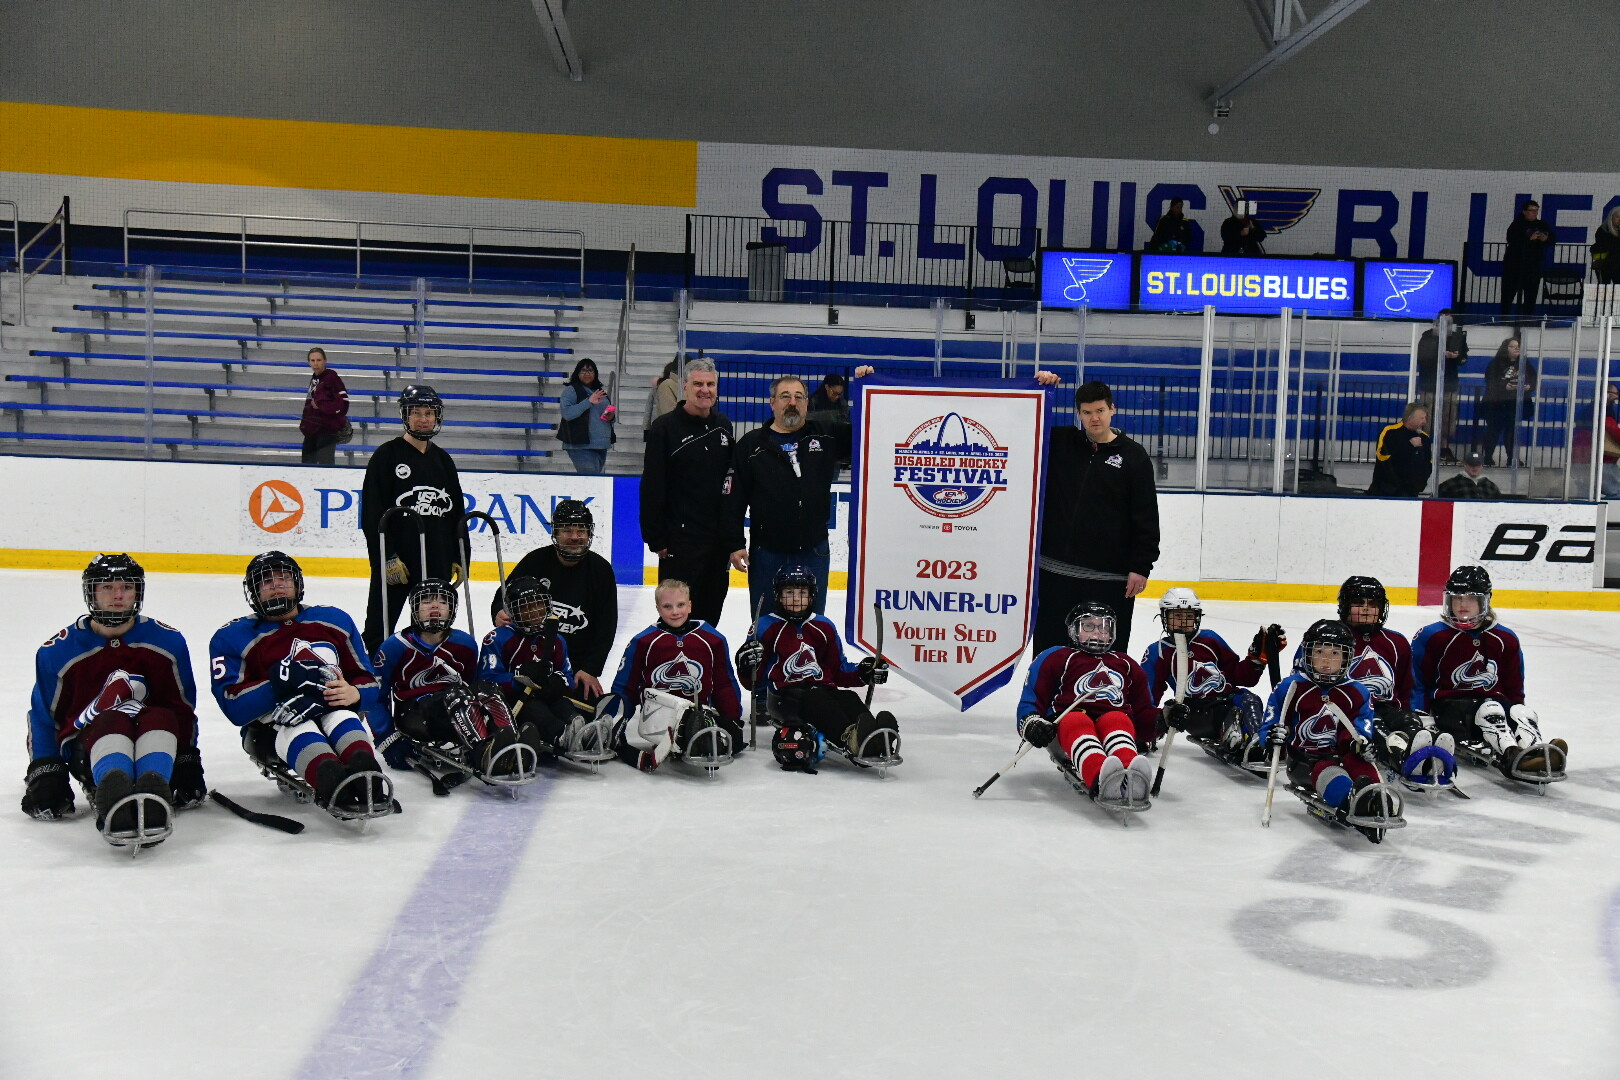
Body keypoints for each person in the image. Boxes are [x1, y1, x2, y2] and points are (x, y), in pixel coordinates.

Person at [22, 554, 204, 849]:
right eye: (107, 587)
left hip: (153, 739)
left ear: (138, 592)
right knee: (111, 720)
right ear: (91, 592)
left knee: (160, 716)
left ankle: (153, 789)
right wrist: (46, 770)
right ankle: (114, 796)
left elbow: (182, 710)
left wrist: (186, 758)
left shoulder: (168, 642)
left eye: (127, 587)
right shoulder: (57, 651)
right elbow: (44, 717)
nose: (118, 596)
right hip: (90, 746)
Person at [209, 551, 391, 817]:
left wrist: (354, 693)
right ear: (254, 593)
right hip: (274, 726)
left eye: (284, 578)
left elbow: (367, 680)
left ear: (298, 584)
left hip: (332, 708)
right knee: (303, 733)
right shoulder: (232, 637)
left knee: (342, 718)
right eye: (267, 582)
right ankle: (328, 777)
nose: (277, 585)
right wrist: (280, 683)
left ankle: (366, 775)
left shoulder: (334, 621)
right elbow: (234, 706)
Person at [370, 579, 542, 787]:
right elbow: (375, 696)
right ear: (415, 609)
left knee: (486, 688)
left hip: (452, 710)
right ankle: (483, 754)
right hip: (414, 714)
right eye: (426, 601)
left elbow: (473, 686)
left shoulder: (465, 643)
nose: (435, 606)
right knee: (457, 694)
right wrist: (387, 738)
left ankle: (510, 744)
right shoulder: (394, 647)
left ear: (452, 609)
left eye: (443, 602)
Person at [1032, 379, 1160, 656]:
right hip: (1055, 573)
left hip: (1109, 578)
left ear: (1112, 409)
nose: (1094, 418)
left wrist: (1141, 565)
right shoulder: (1060, 442)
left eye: (1100, 410)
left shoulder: (1134, 457)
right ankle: (1047, 700)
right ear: (1078, 414)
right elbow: (1024, 420)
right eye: (1087, 412)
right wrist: (1038, 385)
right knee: (1050, 650)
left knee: (1105, 652)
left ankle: (1104, 699)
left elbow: (1146, 515)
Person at [1412, 565, 1567, 785]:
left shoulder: (1505, 638)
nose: (1462, 605)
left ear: (1484, 601)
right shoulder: (1432, 635)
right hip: (1450, 709)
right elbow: (1416, 681)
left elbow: (1514, 687)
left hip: (1491, 706)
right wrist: (1421, 717)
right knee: (1490, 709)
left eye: (1470, 599)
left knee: (1521, 711)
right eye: (1457, 598)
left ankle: (1536, 751)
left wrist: (1515, 713)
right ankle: (1512, 755)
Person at [736, 566, 898, 772]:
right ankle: (851, 738)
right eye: (789, 593)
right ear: (778, 595)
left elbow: (838, 670)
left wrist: (862, 672)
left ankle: (875, 736)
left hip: (821, 690)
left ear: (812, 595)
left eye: (802, 593)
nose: (796, 599)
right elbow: (753, 680)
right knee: (817, 699)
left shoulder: (823, 626)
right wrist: (745, 663)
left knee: (847, 697)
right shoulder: (765, 625)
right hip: (783, 697)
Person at [1257, 619, 1403, 841]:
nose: (1326, 660)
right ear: (1307, 655)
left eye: (1335, 654)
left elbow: (1362, 724)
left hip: (1342, 752)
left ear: (1347, 657)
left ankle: (1376, 797)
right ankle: (1351, 799)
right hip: (1305, 760)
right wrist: (1271, 737)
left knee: (1359, 760)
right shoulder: (1291, 687)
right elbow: (1270, 722)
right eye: (1319, 652)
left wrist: (1361, 741)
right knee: (1327, 769)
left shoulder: (1358, 691)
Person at [728, 375, 849, 617]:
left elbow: (870, 429)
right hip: (767, 552)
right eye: (785, 397)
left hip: (814, 549)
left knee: (813, 625)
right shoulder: (751, 445)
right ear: (772, 403)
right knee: (766, 625)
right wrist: (734, 543)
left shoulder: (826, 436)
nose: (792, 402)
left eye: (798, 397)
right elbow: (734, 499)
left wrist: (867, 381)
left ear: (807, 403)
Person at [1015, 602, 1157, 806]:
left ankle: (1132, 776)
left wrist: (1163, 719)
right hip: (1066, 727)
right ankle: (1102, 778)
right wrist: (1032, 724)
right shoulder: (1056, 657)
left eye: (1104, 627)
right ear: (1074, 630)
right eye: (1089, 626)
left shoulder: (1126, 664)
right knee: (1076, 719)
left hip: (1113, 721)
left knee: (1118, 718)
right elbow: (1032, 699)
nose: (1097, 633)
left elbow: (1143, 714)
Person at [361, 384, 465, 652]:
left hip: (436, 559)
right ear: (405, 416)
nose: (423, 418)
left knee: (431, 629)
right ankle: (369, 681)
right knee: (378, 628)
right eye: (416, 412)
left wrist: (461, 554)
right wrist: (386, 557)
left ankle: (428, 678)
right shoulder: (386, 456)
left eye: (428, 413)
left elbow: (456, 513)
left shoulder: (443, 460)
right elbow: (373, 515)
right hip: (398, 562)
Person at [1328, 576, 1455, 789]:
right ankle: (1404, 760)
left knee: (1408, 722)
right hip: (1351, 713)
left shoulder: (1396, 643)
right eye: (1359, 604)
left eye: (1373, 605)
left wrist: (1407, 712)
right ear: (1345, 607)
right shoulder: (1330, 639)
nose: (1367, 610)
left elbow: (1405, 687)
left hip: (1386, 707)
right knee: (1376, 729)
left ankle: (1427, 753)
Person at [607, 579, 744, 772]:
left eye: (680, 605)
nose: (675, 612)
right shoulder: (643, 642)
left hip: (701, 713)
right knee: (705, 739)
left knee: (732, 741)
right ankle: (692, 740)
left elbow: (724, 684)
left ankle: (695, 739)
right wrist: (616, 720)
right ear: (658, 608)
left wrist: (732, 719)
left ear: (690, 606)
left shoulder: (713, 639)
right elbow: (625, 687)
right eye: (667, 606)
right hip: (658, 718)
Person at [477, 578, 612, 766]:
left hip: (544, 697)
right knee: (534, 708)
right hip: (514, 702)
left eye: (539, 605)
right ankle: (562, 736)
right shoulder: (497, 638)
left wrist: (557, 682)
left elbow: (567, 676)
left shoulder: (556, 640)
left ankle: (577, 727)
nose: (534, 612)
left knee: (561, 702)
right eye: (526, 607)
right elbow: (485, 680)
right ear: (512, 611)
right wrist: (518, 677)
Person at [490, 499, 617, 699]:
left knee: (586, 711)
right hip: (530, 659)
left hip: (575, 667)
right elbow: (503, 598)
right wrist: (499, 611)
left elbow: (605, 627)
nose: (575, 537)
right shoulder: (534, 561)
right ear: (556, 532)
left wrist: (590, 669)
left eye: (581, 530)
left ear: (589, 533)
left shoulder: (600, 570)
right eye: (567, 530)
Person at [641, 358, 735, 626]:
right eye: (698, 384)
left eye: (710, 384)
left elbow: (730, 485)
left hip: (715, 544)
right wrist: (655, 537)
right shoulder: (665, 428)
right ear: (684, 387)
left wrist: (730, 538)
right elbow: (652, 486)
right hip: (679, 543)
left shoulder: (723, 426)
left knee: (710, 616)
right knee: (676, 617)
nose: (704, 389)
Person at [1139, 588, 1273, 762]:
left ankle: (1258, 743)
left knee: (1250, 699)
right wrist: (1149, 728)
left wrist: (1256, 660)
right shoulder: (1158, 651)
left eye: (1188, 616)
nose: (1183, 622)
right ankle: (1236, 737)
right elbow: (1148, 696)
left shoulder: (1210, 639)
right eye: (1177, 616)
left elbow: (1239, 676)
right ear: (1165, 617)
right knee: (1231, 713)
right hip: (1194, 710)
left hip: (1227, 698)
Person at [1415, 312, 1468, 462]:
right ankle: (1425, 448)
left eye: (1449, 323)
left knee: (1448, 417)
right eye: (1443, 322)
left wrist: (1456, 357)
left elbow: (1464, 358)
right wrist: (1439, 354)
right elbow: (1420, 357)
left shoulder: (1458, 336)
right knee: (1426, 417)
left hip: (1449, 384)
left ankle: (1444, 449)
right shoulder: (1428, 335)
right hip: (1429, 383)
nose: (1446, 325)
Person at [1478, 336, 1536, 468]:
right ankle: (1487, 458)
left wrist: (1529, 387)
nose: (1516, 348)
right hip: (1496, 404)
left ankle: (1512, 458)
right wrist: (1504, 386)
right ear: (1506, 348)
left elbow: (1533, 380)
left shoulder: (1525, 364)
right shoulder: (1495, 364)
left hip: (1514, 404)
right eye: (1513, 346)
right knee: (1493, 430)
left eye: (1518, 346)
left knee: (1511, 431)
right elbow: (1490, 381)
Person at [557, 357, 615, 475]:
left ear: (595, 374)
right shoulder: (571, 391)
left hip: (601, 444)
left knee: (595, 480)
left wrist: (611, 417)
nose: (587, 374)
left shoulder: (600, 391)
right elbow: (567, 414)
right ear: (577, 373)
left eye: (590, 371)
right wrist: (588, 401)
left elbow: (605, 416)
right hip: (580, 445)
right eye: (583, 371)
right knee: (590, 479)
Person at [1500, 200, 1555, 321]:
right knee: (1508, 293)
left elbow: (1552, 238)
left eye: (1536, 210)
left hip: (1533, 266)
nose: (1534, 213)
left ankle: (1527, 320)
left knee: (1531, 295)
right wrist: (1529, 239)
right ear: (1525, 211)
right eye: (1531, 210)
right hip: (1515, 266)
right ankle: (1503, 319)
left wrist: (1545, 239)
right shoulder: (1516, 225)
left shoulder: (1541, 224)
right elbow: (1512, 239)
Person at [1366, 402, 1432, 496]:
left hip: (1410, 492)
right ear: (1410, 417)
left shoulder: (1424, 438)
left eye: (1425, 418)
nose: (1424, 421)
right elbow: (1383, 456)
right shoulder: (1390, 432)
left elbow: (1428, 463)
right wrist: (1409, 446)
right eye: (1421, 418)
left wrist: (1420, 483)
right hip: (1385, 491)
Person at [299, 347, 349, 466]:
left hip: (326, 430)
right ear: (308, 362)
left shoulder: (331, 378)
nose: (315, 363)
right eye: (312, 360)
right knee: (306, 465)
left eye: (319, 360)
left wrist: (322, 406)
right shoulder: (315, 379)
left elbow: (344, 403)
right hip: (312, 431)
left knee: (325, 466)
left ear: (325, 361)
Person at [1438, 451, 1503, 499]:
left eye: (1477, 465)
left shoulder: (1491, 486)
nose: (1474, 468)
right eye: (1471, 465)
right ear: (1465, 465)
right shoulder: (1450, 484)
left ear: (1482, 466)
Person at [644, 357, 682, 436]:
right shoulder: (675, 387)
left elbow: (648, 409)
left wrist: (646, 428)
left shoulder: (658, 387)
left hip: (656, 424)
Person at [1592, 208, 1620, 285]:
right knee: (1603, 287)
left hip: (1617, 265)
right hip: (1605, 265)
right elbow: (1604, 246)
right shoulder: (1602, 230)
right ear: (1611, 217)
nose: (1619, 219)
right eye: (1617, 217)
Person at [1603, 383, 1620, 499]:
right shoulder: (1605, 411)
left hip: (1603, 459)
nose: (1617, 397)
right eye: (1615, 394)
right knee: (1616, 492)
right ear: (1608, 394)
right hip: (1605, 460)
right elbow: (1612, 430)